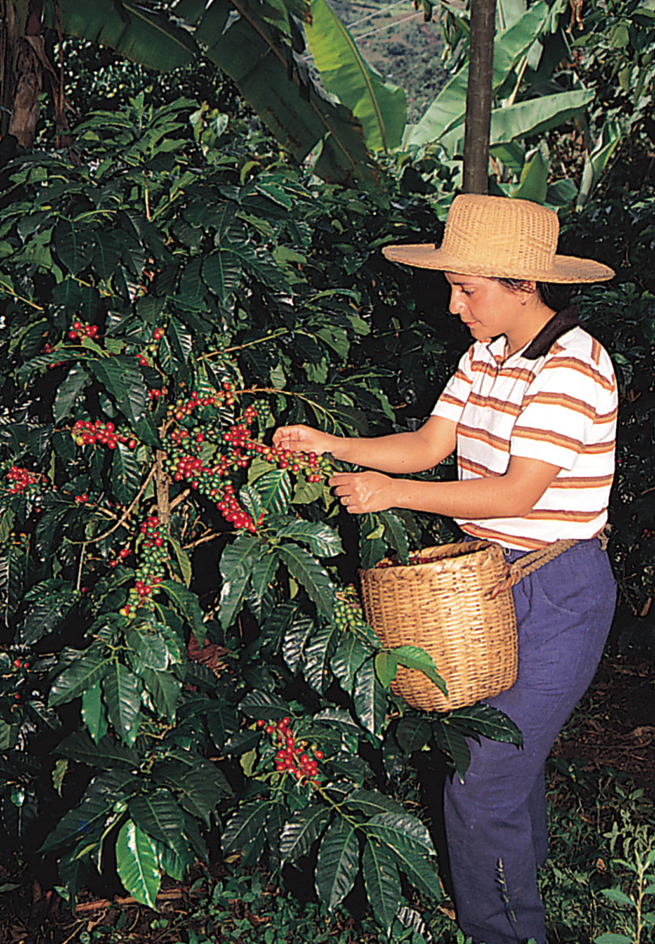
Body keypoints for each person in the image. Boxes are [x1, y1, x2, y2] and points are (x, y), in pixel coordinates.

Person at [273, 194, 618, 944]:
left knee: (483, 781)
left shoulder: (572, 367)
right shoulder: (484, 358)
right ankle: (517, 915)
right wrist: (330, 444)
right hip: (483, 583)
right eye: (452, 287)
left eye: (467, 288)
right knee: (504, 765)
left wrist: (391, 495)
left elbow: (518, 490)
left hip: (558, 586)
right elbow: (430, 445)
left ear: (522, 285)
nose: (454, 303)